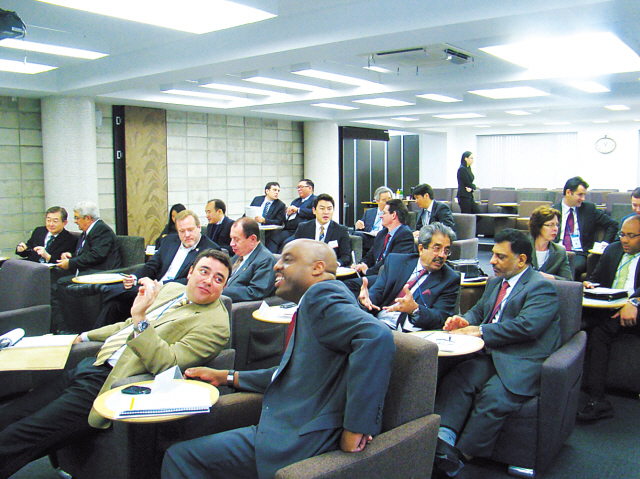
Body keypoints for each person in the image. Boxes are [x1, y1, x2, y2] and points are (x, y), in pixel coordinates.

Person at [161, 239, 395, 479]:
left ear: (317, 268)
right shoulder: (317, 304)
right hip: (283, 430)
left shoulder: (320, 296)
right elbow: (290, 373)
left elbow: (376, 336)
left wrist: (356, 427)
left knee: (179, 458)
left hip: (296, 440)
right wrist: (226, 376)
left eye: (288, 259)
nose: (276, 265)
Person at [0, 249, 232, 479]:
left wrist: (141, 320)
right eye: (204, 271)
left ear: (223, 287)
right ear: (190, 272)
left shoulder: (216, 326)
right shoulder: (173, 290)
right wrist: (85, 337)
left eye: (218, 279)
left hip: (110, 385)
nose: (208, 281)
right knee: (10, 414)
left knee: (18, 437)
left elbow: (166, 364)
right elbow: (127, 324)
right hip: (91, 365)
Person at [432, 228, 561, 478]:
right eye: (492, 254)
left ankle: (460, 456)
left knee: (493, 397)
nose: (491, 261)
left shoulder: (541, 288)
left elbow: (527, 326)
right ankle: (441, 442)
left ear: (522, 259)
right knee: (460, 377)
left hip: (522, 358)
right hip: (493, 353)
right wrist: (462, 320)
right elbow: (478, 312)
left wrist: (479, 331)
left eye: (500, 256)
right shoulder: (495, 283)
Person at [93, 210, 219, 328]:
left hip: (174, 293)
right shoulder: (169, 241)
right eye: (182, 231)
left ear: (198, 228)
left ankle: (104, 289)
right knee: (114, 304)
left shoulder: (210, 251)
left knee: (112, 292)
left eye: (190, 230)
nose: (186, 235)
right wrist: (134, 277)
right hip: (152, 289)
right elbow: (152, 265)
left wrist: (159, 284)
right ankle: (92, 342)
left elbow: (192, 280)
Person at [578, 215, 640, 422]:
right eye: (622, 234)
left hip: (633, 309)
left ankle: (598, 400)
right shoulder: (613, 250)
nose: (624, 239)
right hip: (606, 305)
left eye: (631, 236)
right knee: (575, 324)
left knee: (599, 333)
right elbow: (596, 278)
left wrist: (635, 302)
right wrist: (590, 284)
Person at [359, 222, 460, 331]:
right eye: (437, 248)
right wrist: (365, 300)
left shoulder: (449, 279)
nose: (442, 255)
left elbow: (440, 318)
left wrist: (414, 309)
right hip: (380, 323)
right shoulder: (396, 262)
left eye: (446, 251)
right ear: (421, 249)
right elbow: (377, 292)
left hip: (410, 334)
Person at [50, 201, 122, 332]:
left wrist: (71, 263)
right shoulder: (88, 231)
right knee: (55, 281)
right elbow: (87, 252)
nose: (75, 221)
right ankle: (62, 326)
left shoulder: (101, 230)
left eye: (77, 218)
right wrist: (71, 256)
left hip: (101, 273)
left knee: (61, 284)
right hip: (89, 271)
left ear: (87, 218)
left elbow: (97, 255)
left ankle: (72, 327)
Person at [552, 176, 618, 279]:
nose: (583, 198)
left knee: (570, 268)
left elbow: (613, 224)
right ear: (569, 192)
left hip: (579, 253)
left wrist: (604, 244)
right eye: (580, 195)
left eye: (584, 195)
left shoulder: (589, 209)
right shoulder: (553, 210)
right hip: (556, 251)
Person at [352, 199, 415, 277]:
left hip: (387, 277)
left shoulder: (405, 235)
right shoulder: (382, 233)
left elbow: (390, 262)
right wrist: (361, 265)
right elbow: (371, 255)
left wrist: (368, 271)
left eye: (384, 213)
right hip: (374, 273)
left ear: (393, 215)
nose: (381, 216)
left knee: (350, 284)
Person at [224, 217, 276, 302]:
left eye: (236, 239)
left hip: (237, 306)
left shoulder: (265, 259)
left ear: (252, 239)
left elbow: (255, 292)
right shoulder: (238, 255)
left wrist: (220, 290)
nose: (231, 244)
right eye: (231, 238)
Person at [292, 193, 352, 266]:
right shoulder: (303, 228)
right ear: (314, 210)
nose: (326, 212)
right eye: (322, 208)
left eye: (329, 209)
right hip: (307, 269)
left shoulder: (341, 230)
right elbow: (295, 251)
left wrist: (335, 264)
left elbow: (345, 257)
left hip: (330, 271)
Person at [265, 179, 316, 253]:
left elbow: (315, 213)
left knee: (286, 243)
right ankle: (272, 259)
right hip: (290, 229)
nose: (299, 189)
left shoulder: (315, 200)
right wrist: (287, 214)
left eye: (301, 187)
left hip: (303, 230)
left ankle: (280, 260)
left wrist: (298, 210)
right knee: (272, 239)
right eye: (298, 187)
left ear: (310, 188)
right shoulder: (296, 201)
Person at [528, 205, 572, 280]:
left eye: (557, 225)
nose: (555, 229)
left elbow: (568, 281)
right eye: (551, 225)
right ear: (538, 226)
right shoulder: (522, 248)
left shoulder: (560, 251)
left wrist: (550, 277)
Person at [353, 186, 393, 254]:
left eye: (389, 199)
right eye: (384, 200)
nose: (388, 202)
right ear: (377, 201)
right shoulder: (369, 212)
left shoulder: (393, 214)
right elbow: (360, 229)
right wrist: (359, 225)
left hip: (383, 238)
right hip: (370, 238)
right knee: (355, 235)